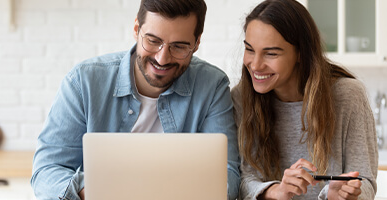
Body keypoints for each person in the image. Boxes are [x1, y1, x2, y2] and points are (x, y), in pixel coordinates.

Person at [31, 0, 241, 199]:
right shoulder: (83, 82)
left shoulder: (212, 86)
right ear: (136, 29)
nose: (162, 58)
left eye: (179, 46)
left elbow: (228, 175)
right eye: (153, 41)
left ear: (196, 43)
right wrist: (95, 191)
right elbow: (46, 171)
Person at [230, 0, 378, 199]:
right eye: (249, 49)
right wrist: (277, 191)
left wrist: (342, 194)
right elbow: (244, 179)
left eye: (271, 53)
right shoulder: (242, 97)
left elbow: (366, 181)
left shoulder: (348, 96)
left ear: (301, 53)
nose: (255, 65)